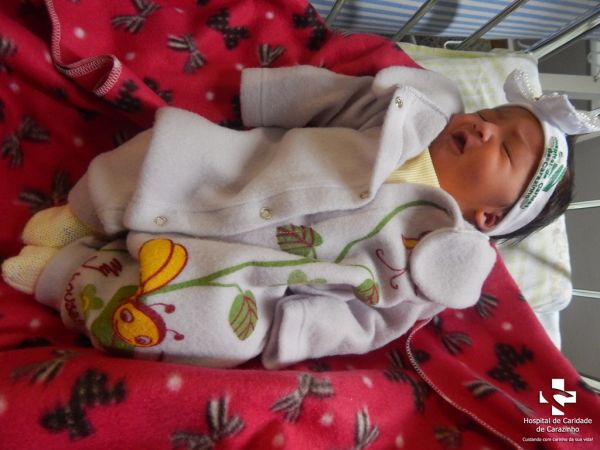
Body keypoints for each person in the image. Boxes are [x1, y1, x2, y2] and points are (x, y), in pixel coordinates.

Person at [2, 66, 596, 368]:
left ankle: (70, 276)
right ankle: (81, 216)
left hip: (247, 266)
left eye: (507, 149)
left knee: (213, 331)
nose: (484, 127)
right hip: (239, 174)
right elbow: (336, 96)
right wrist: (267, 97)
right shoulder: (413, 115)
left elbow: (372, 321)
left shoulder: (442, 261)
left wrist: (300, 329)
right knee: (160, 155)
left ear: (489, 217)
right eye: (491, 114)